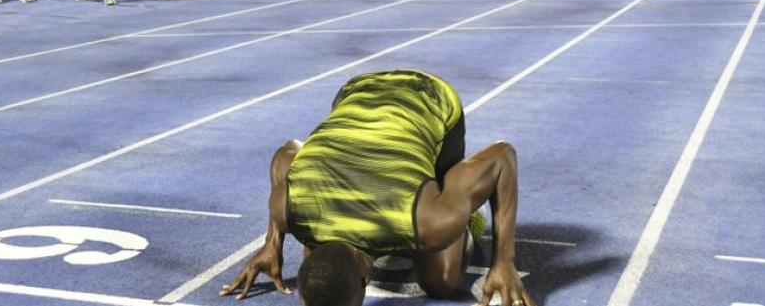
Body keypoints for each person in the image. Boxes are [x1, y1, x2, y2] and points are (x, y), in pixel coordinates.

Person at [219, 70, 535, 306]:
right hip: (353, 93)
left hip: (427, 96)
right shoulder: (286, 208)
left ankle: (454, 195)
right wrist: (272, 243)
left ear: (365, 279)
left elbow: (502, 157)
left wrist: (503, 262)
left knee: (440, 282)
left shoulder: (428, 222)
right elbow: (284, 156)